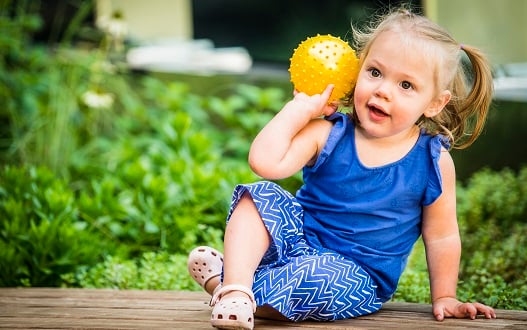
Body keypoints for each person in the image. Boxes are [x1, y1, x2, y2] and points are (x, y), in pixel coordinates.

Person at [187, 5, 497, 330]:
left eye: (406, 85)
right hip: (296, 243)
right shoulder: (328, 133)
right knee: (258, 195)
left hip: (356, 275)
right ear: (356, 71)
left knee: (313, 277)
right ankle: (236, 289)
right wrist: (300, 109)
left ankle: (223, 286)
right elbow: (264, 163)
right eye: (375, 72)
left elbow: (442, 236)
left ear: (435, 103)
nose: (383, 90)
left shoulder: (432, 161)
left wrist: (445, 297)